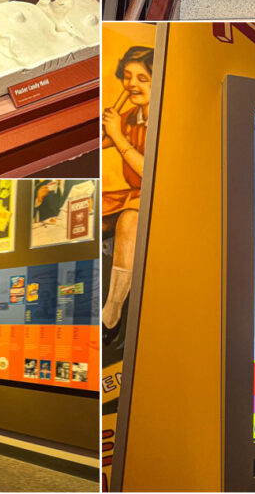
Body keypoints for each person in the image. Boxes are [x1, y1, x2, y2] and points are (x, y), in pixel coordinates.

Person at [102, 45, 154, 339]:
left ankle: (113, 310)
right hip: (131, 195)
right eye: (127, 76)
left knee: (130, 221)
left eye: (142, 78)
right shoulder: (130, 116)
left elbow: (151, 172)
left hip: (157, 196)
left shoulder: (165, 118)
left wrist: (118, 136)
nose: (132, 84)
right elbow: (99, 139)